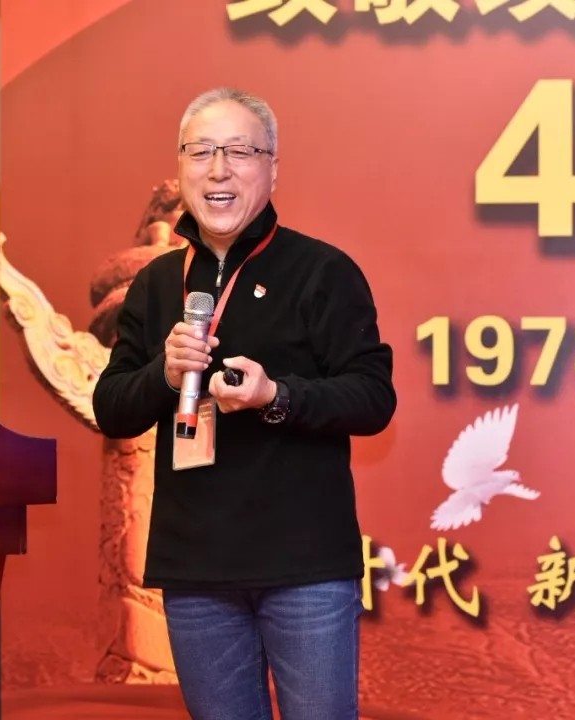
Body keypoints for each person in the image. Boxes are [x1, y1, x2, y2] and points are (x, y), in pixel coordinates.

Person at [93, 87, 396, 720]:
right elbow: (112, 408)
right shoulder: (156, 284)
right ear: (181, 168)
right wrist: (164, 375)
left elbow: (373, 398)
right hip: (195, 571)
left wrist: (275, 396)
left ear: (273, 168)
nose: (219, 170)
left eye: (239, 152)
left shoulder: (322, 271)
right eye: (201, 152)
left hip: (305, 568)